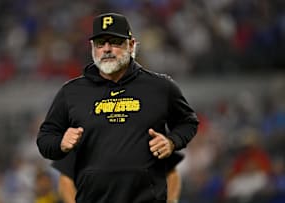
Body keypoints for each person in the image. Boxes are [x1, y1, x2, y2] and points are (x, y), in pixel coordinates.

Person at [37, 12, 199, 203]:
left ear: (131, 45)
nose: (106, 49)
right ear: (92, 48)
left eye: (114, 42)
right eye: (100, 43)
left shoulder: (161, 87)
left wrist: (172, 141)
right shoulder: (71, 92)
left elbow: (188, 122)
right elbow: (45, 138)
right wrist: (61, 143)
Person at [52, 151, 185, 203]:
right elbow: (65, 178)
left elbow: (171, 172)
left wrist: (171, 200)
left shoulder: (147, 123)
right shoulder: (84, 124)